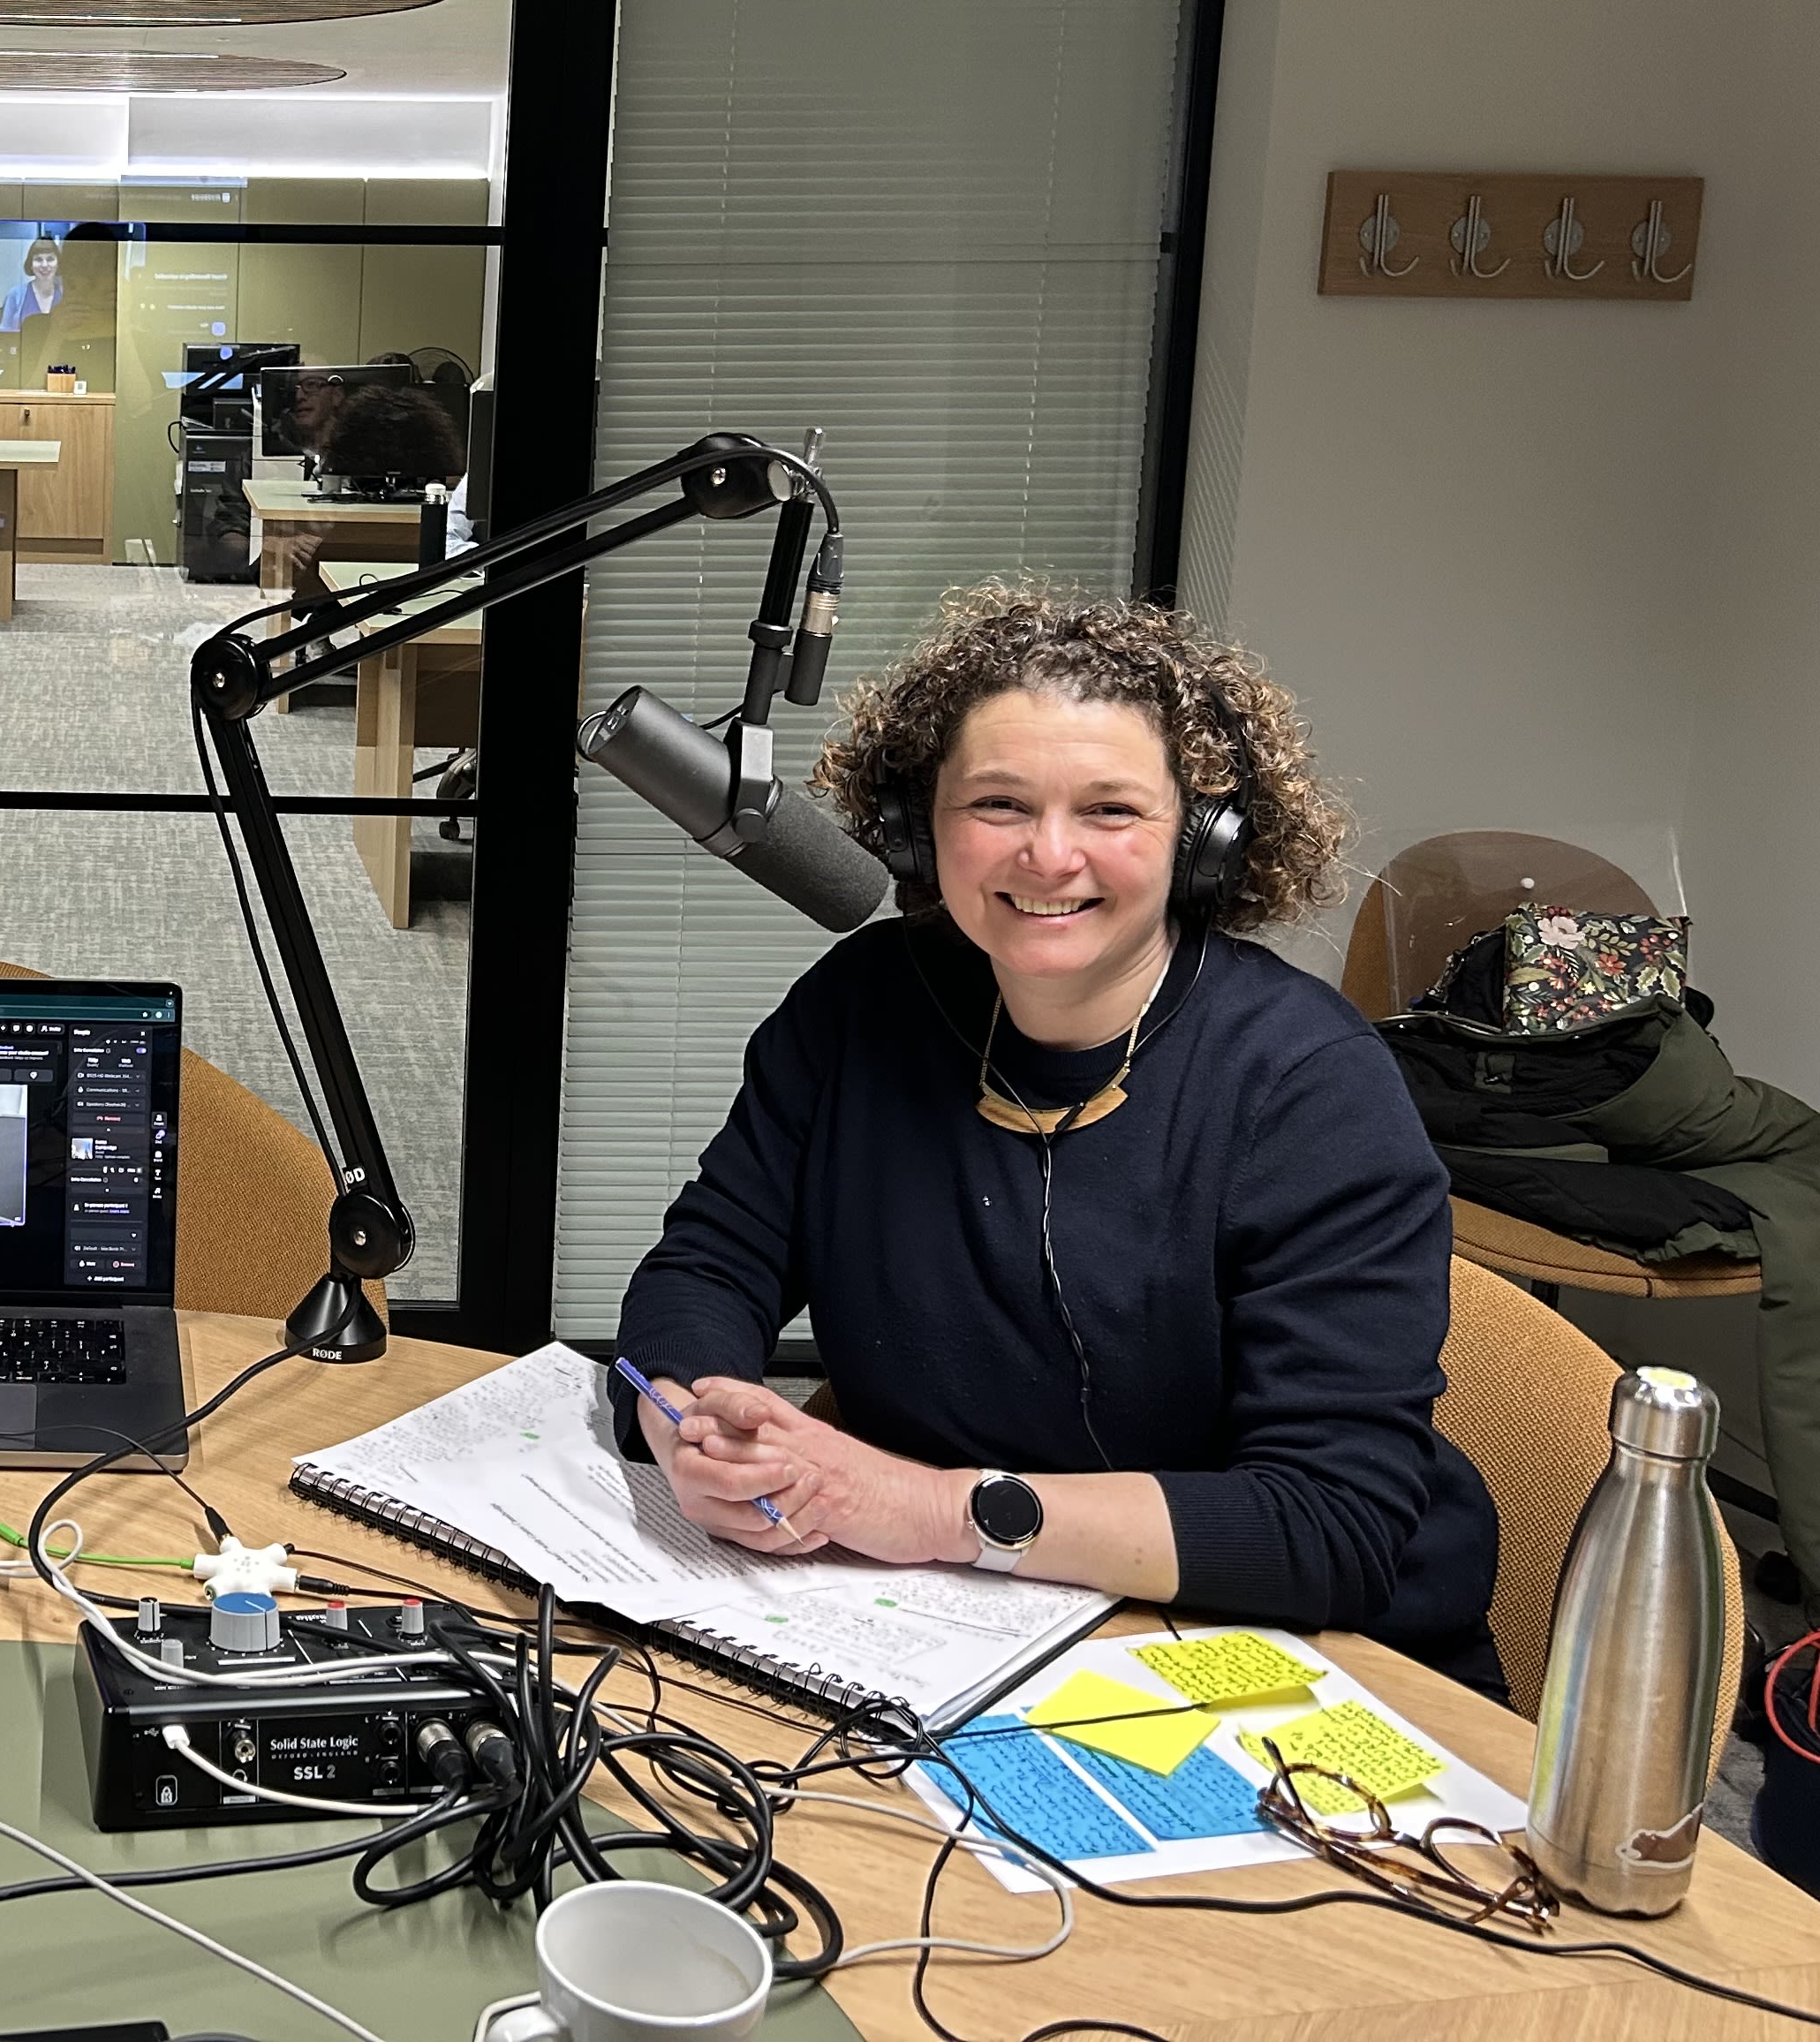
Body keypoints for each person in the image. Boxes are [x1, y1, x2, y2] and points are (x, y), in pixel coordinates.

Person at [614, 585, 1506, 1697]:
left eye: (1110, 811)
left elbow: (1330, 1524)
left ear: (1202, 843)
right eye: (998, 803)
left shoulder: (1313, 1087)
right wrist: (693, 1424)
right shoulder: (858, 1009)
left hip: (1303, 1659)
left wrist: (928, 1507)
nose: (1047, 855)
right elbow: (708, 1265)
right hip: (958, 1626)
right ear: (917, 826)